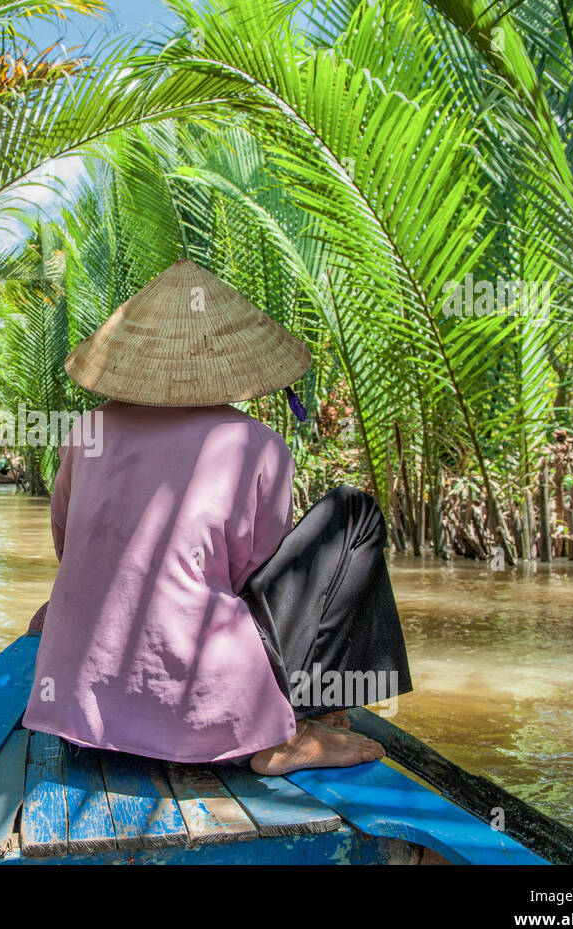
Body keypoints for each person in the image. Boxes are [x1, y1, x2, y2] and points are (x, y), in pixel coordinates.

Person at [21, 259, 411, 775]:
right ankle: (294, 726)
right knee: (352, 510)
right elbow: (260, 578)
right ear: (229, 363)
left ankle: (284, 716)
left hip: (78, 706)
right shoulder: (259, 445)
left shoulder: (85, 432)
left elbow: (69, 547)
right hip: (201, 707)